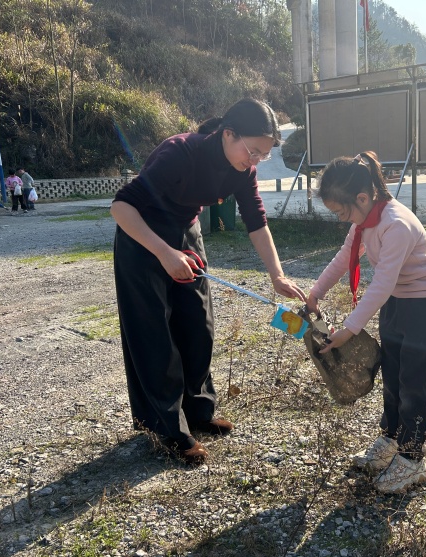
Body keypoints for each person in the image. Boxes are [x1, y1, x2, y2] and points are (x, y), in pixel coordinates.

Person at [110, 98, 306, 466]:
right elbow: (121, 207)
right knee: (154, 333)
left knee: (199, 325)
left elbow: (256, 220)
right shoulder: (179, 152)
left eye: (264, 155)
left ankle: (199, 411)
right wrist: (164, 253)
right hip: (144, 238)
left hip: (186, 231)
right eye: (253, 151)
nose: (256, 161)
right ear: (228, 134)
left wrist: (276, 274)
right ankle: (168, 429)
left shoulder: (242, 170)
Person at [307, 151, 426, 494]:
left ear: (362, 197)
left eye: (342, 212)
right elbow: (345, 257)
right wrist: (316, 293)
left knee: (416, 380)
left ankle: (412, 458)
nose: (343, 220)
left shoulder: (396, 224)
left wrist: (349, 329)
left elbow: (382, 282)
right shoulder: (364, 222)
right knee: (393, 370)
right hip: (398, 301)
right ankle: (391, 438)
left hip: (424, 303)